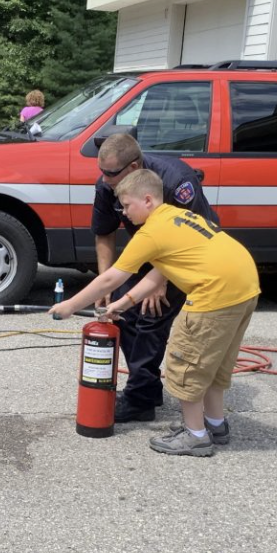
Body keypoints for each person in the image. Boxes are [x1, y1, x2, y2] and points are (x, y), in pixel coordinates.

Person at [50, 169, 260, 457]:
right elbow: (162, 269)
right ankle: (215, 424)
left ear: (147, 200)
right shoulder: (177, 216)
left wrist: (70, 306)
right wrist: (125, 302)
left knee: (186, 366)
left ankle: (195, 436)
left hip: (214, 294)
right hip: (245, 288)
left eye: (126, 205)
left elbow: (111, 278)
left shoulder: (150, 232)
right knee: (213, 364)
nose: (123, 213)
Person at [90, 133, 217, 424]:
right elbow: (104, 232)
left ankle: (140, 399)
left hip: (189, 254)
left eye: (111, 173)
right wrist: (105, 283)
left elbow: (193, 237)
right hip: (151, 249)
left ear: (133, 168)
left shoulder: (176, 181)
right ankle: (145, 390)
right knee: (121, 312)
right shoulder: (106, 185)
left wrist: (161, 282)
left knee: (150, 314)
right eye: (101, 171)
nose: (104, 179)